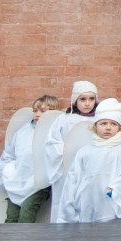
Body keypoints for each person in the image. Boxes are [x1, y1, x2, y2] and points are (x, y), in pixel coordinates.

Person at [61, 98, 121, 224]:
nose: (108, 128)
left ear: (119, 128)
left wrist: (115, 190)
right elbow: (73, 178)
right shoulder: (85, 151)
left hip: (113, 203)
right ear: (95, 126)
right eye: (103, 123)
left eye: (113, 124)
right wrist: (70, 205)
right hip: (89, 202)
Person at [0, 94, 59, 223]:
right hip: (17, 180)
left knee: (26, 215)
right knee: (11, 218)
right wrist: (7, 172)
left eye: (43, 111)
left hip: (38, 184)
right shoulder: (23, 131)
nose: (37, 114)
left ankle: (26, 237)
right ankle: (9, 238)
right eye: (35, 111)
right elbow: (9, 153)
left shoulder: (54, 133)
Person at [45, 80, 99, 223]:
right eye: (83, 99)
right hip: (67, 170)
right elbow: (52, 143)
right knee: (66, 203)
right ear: (75, 100)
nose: (87, 103)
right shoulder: (64, 119)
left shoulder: (100, 120)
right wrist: (68, 151)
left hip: (92, 169)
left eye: (91, 99)